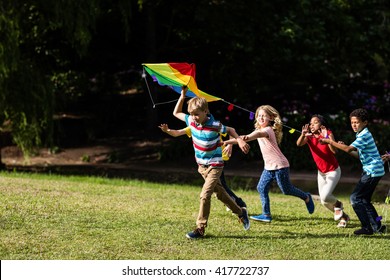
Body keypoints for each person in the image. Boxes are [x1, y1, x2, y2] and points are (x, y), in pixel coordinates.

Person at [171, 86, 251, 239]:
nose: (193, 117)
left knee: (204, 195)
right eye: (191, 114)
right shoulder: (192, 122)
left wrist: (239, 141)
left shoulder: (214, 125)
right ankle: (241, 212)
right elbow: (176, 113)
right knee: (221, 195)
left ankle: (200, 229)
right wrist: (182, 96)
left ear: (205, 111)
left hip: (215, 165)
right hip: (202, 167)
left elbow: (231, 129)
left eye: (196, 114)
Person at [224, 105, 315, 223]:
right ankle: (266, 214)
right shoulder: (259, 130)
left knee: (286, 190)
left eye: (264, 116)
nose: (261, 118)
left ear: (271, 118)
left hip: (280, 165)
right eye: (259, 116)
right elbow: (243, 137)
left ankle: (306, 197)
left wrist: (229, 141)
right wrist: (229, 143)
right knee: (261, 187)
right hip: (269, 167)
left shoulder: (267, 130)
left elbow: (247, 137)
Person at [320, 108, 387, 235]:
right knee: (364, 200)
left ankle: (367, 228)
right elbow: (356, 153)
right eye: (352, 122)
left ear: (365, 122)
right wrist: (343, 146)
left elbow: (349, 149)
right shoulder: (362, 134)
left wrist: (330, 141)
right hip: (374, 170)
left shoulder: (364, 135)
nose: (354, 125)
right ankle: (378, 226)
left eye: (357, 122)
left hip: (372, 171)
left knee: (355, 198)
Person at [158, 124, 247, 209]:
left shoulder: (212, 125)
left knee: (220, 186)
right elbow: (177, 133)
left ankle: (238, 204)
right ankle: (235, 203)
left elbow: (231, 130)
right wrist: (167, 130)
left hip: (219, 158)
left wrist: (229, 145)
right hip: (206, 162)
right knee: (219, 186)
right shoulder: (192, 127)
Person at [296, 114, 350, 228]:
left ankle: (338, 204)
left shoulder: (328, 133)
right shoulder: (309, 136)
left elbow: (334, 151)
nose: (312, 125)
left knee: (325, 196)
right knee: (324, 201)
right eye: (311, 123)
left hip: (333, 171)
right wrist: (303, 135)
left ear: (321, 124)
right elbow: (299, 144)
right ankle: (344, 216)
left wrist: (327, 139)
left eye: (315, 122)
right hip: (321, 172)